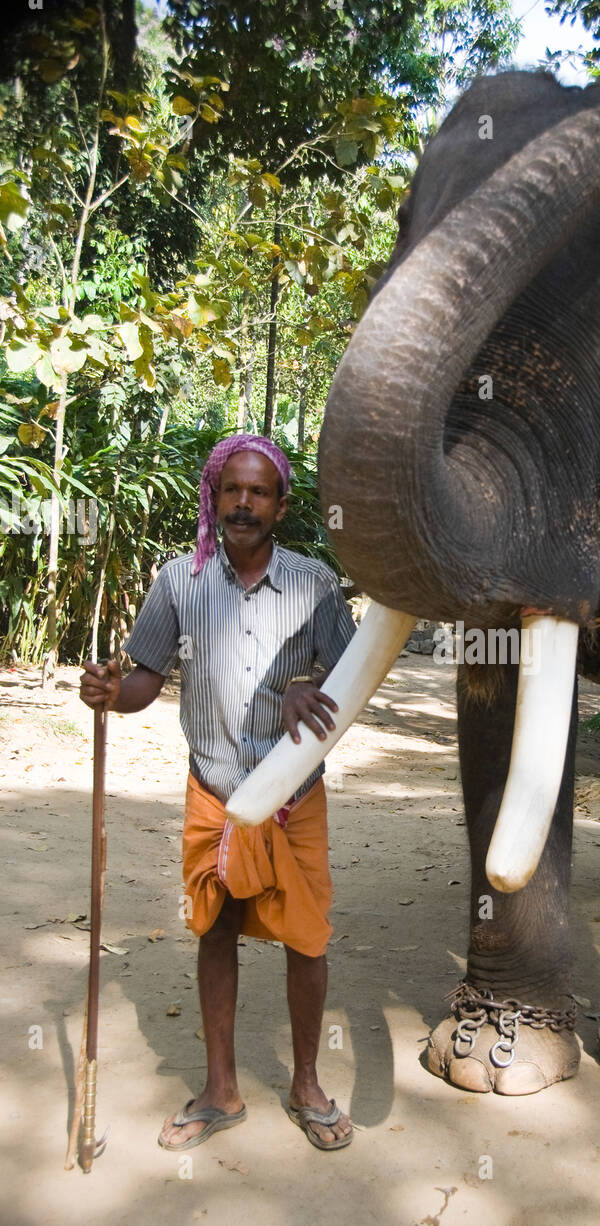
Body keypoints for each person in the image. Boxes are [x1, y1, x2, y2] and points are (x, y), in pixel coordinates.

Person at [80, 433, 356, 1152]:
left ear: (280, 505)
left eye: (258, 492)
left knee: (306, 938)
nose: (243, 504)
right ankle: (221, 1089)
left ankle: (305, 1083)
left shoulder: (315, 584)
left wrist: (307, 687)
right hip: (214, 789)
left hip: (293, 794)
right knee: (216, 929)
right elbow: (147, 675)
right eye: (231, 490)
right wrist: (114, 692)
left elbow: (353, 675)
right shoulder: (179, 581)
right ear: (214, 497)